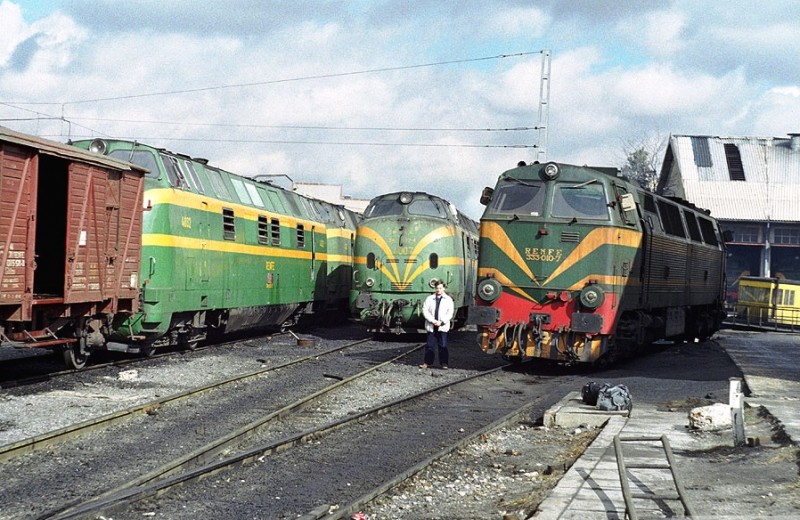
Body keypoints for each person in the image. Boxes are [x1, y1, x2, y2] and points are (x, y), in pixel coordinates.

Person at [420, 281, 454, 369]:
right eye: (437, 288)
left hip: (442, 326)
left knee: (443, 345)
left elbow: (450, 313)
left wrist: (441, 322)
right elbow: (425, 310)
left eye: (440, 288)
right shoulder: (429, 298)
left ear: (444, 288)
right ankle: (427, 363)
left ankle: (444, 363)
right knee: (430, 345)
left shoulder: (448, 300)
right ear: (434, 289)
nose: (438, 290)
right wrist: (432, 320)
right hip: (431, 325)